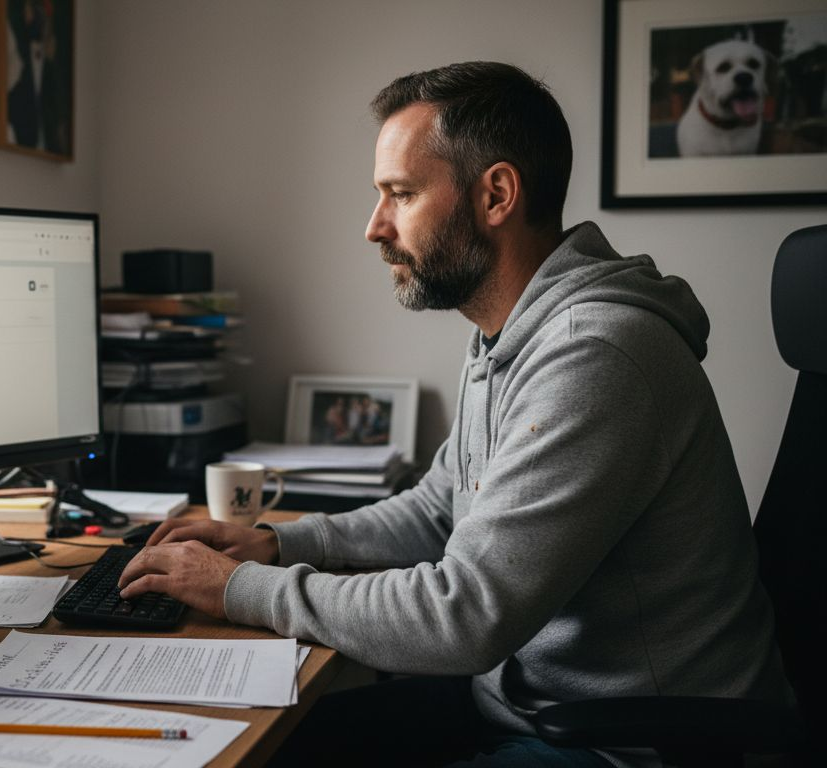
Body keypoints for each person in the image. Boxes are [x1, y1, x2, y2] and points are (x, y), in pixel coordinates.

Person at [117, 61, 792, 767]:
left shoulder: (596, 355)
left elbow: (463, 614)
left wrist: (239, 590)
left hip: (631, 744)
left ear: (496, 194)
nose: (374, 227)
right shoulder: (508, 335)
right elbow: (439, 510)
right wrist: (279, 546)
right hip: (530, 705)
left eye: (400, 194)